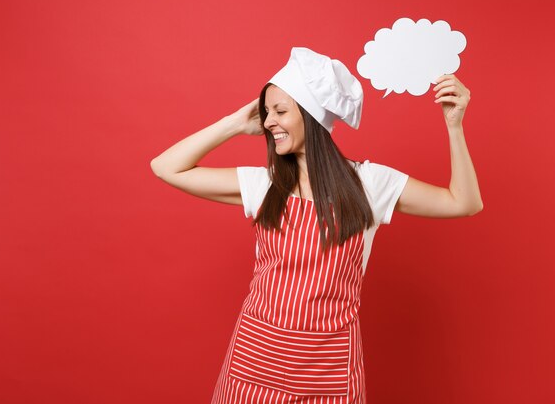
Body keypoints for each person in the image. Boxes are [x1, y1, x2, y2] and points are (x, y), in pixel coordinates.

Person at [150, 47, 482, 404]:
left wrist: (454, 126)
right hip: (254, 364)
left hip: (329, 371)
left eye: (279, 111)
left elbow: (463, 202)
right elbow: (166, 167)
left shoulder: (369, 184)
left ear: (311, 116)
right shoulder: (265, 184)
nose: (266, 122)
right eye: (265, 113)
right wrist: (233, 123)